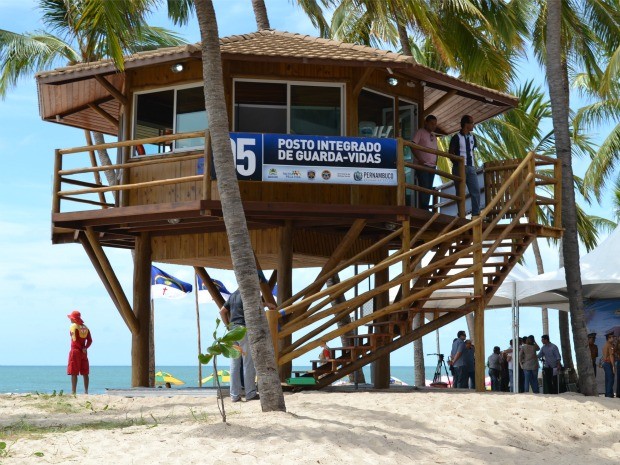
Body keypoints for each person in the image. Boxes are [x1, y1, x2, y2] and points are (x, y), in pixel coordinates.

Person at [219, 289, 274, 403]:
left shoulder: (233, 296)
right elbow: (255, 305)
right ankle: (250, 393)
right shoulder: (249, 292)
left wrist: (228, 326)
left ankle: (234, 395)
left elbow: (222, 311)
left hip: (232, 331)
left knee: (234, 364)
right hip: (243, 330)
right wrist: (267, 304)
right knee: (248, 363)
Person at [449, 115, 481, 216]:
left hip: (471, 167)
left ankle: (475, 214)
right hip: (459, 168)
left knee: (475, 190)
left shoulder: (473, 137)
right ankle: (461, 214)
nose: (473, 125)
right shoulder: (456, 137)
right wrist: (457, 163)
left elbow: (472, 151)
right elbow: (450, 152)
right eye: (472, 123)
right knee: (460, 192)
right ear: (466, 124)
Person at [411, 114, 438, 210]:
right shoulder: (420, 132)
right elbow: (412, 145)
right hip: (423, 165)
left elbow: (436, 150)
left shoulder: (434, 136)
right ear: (426, 123)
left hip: (432, 166)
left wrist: (436, 161)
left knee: (429, 188)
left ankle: (425, 208)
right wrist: (419, 160)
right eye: (431, 123)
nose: (433, 126)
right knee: (424, 187)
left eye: (435, 124)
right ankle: (424, 209)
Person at [67, 310, 92, 395]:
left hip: (75, 351)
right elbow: (90, 340)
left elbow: (75, 340)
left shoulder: (73, 327)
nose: (70, 319)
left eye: (71, 318)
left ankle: (73, 391)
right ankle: (86, 391)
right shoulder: (85, 327)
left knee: (74, 372)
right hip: (84, 352)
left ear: (73, 319)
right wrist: (85, 347)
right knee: (85, 372)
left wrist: (81, 348)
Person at [600, 331, 616, 398]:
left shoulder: (605, 345)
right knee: (610, 379)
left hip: (605, 363)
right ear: (609, 338)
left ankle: (608, 394)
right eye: (612, 337)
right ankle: (609, 394)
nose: (614, 338)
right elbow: (611, 356)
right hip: (608, 363)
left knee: (607, 379)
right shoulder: (610, 345)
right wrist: (613, 366)